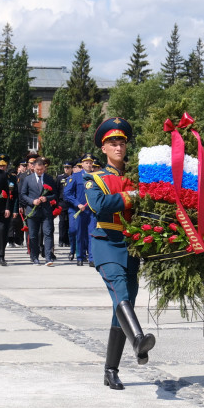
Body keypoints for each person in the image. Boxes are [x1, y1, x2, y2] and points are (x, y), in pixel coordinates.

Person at [85, 117, 156, 390]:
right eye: (112, 142)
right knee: (121, 294)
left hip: (132, 247)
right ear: (103, 148)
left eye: (122, 142)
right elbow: (99, 205)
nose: (118, 146)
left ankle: (110, 370)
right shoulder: (94, 178)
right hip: (106, 242)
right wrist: (131, 196)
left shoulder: (137, 178)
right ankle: (138, 341)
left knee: (122, 308)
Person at [19, 157, 57, 266]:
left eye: (41, 169)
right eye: (37, 170)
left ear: (44, 168)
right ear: (33, 168)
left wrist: (47, 198)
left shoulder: (49, 179)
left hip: (46, 211)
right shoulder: (27, 179)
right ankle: (34, 257)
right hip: (32, 211)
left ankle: (48, 257)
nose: (39, 171)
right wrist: (32, 201)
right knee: (33, 235)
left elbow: (55, 194)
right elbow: (23, 194)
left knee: (48, 233)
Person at [64, 155, 94, 265]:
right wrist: (77, 204)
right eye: (86, 163)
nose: (89, 165)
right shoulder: (75, 176)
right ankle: (80, 257)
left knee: (92, 233)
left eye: (90, 163)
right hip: (81, 210)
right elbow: (67, 193)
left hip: (92, 210)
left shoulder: (95, 176)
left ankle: (91, 258)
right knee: (80, 233)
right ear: (82, 164)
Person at [55, 161, 74, 247]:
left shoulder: (73, 177)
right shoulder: (60, 177)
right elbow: (57, 190)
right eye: (65, 167)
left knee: (70, 222)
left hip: (71, 202)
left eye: (68, 167)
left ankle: (68, 240)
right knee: (62, 222)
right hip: (62, 202)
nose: (66, 169)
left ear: (71, 168)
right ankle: (61, 240)